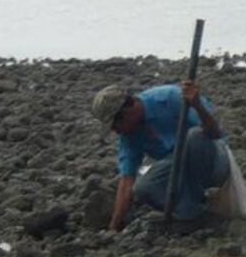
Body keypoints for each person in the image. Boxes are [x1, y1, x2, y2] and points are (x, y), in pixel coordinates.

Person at [92, 81, 229, 232]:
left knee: (195, 136)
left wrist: (197, 105)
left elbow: (216, 133)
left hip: (215, 161)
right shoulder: (129, 134)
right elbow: (126, 182)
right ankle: (193, 212)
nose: (116, 132)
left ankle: (197, 201)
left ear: (127, 111)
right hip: (179, 170)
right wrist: (114, 227)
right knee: (144, 187)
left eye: (114, 126)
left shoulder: (171, 98)